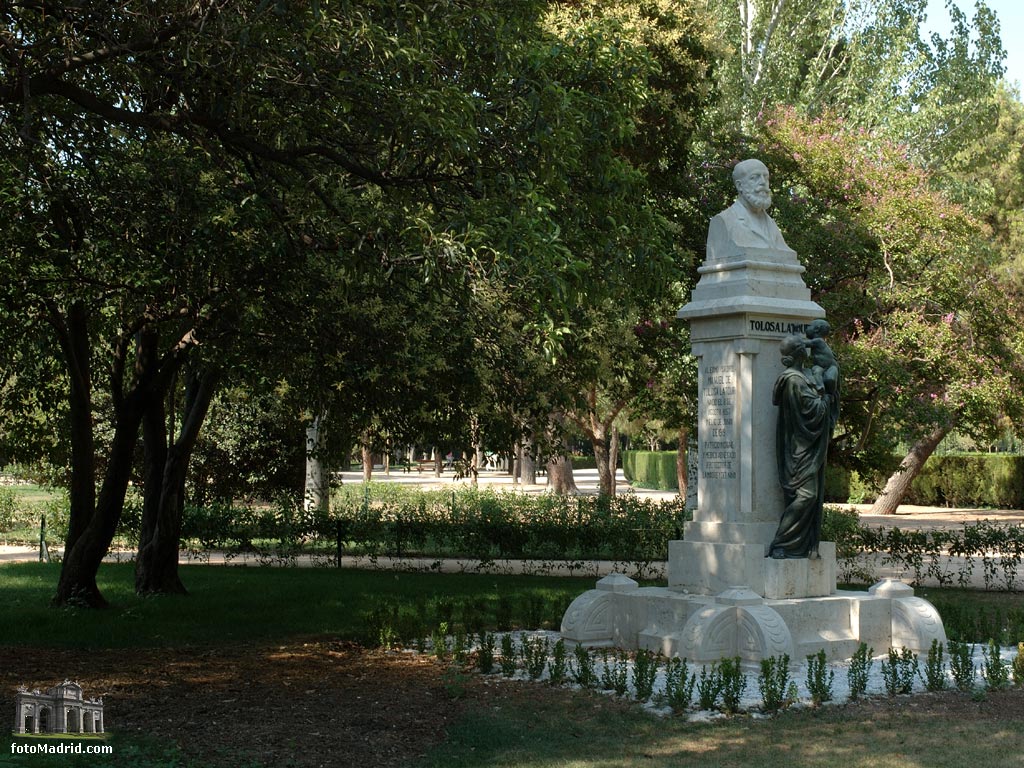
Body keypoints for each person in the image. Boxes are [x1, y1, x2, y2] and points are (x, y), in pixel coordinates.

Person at [768, 334, 833, 559]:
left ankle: (795, 544)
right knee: (807, 495)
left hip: (802, 447)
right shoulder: (794, 380)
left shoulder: (799, 377)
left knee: (808, 496)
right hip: (799, 449)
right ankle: (781, 543)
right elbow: (814, 411)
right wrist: (824, 391)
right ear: (800, 354)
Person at [707, 158, 791, 256]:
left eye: (766, 177)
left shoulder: (772, 225)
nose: (763, 182)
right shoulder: (723, 221)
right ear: (739, 185)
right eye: (755, 177)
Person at [805, 318, 840, 429]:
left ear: (817, 329)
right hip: (823, 366)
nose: (806, 328)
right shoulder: (822, 342)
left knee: (816, 371)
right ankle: (820, 387)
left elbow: (805, 344)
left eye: (809, 326)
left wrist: (794, 339)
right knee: (817, 371)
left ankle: (820, 387)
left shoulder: (818, 341)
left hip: (825, 366)